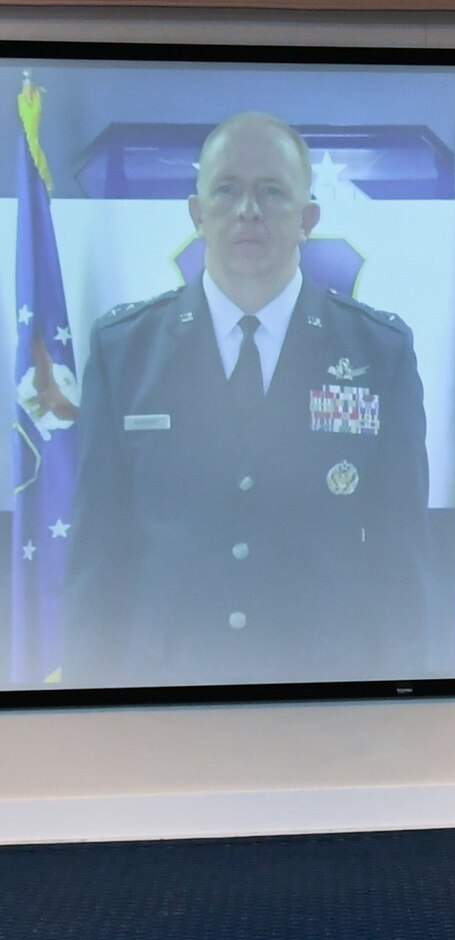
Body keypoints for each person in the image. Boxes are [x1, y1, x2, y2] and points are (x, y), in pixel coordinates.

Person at [66, 111, 428, 686]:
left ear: (308, 218)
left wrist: (406, 705)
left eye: (272, 192)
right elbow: (97, 551)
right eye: (227, 189)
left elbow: (402, 556)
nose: (248, 211)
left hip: (326, 696)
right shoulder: (126, 350)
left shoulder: (377, 353)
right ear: (196, 213)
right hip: (165, 692)